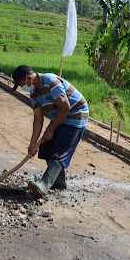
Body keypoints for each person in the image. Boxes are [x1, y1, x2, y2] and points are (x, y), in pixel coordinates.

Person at [11, 65, 89, 198]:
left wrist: (51, 130)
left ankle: (44, 185)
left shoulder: (50, 81)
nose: (21, 87)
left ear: (29, 79)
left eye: (21, 84)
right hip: (61, 117)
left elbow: (65, 107)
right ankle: (59, 181)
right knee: (46, 146)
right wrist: (32, 143)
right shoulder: (34, 93)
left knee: (61, 149)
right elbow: (38, 118)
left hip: (76, 114)